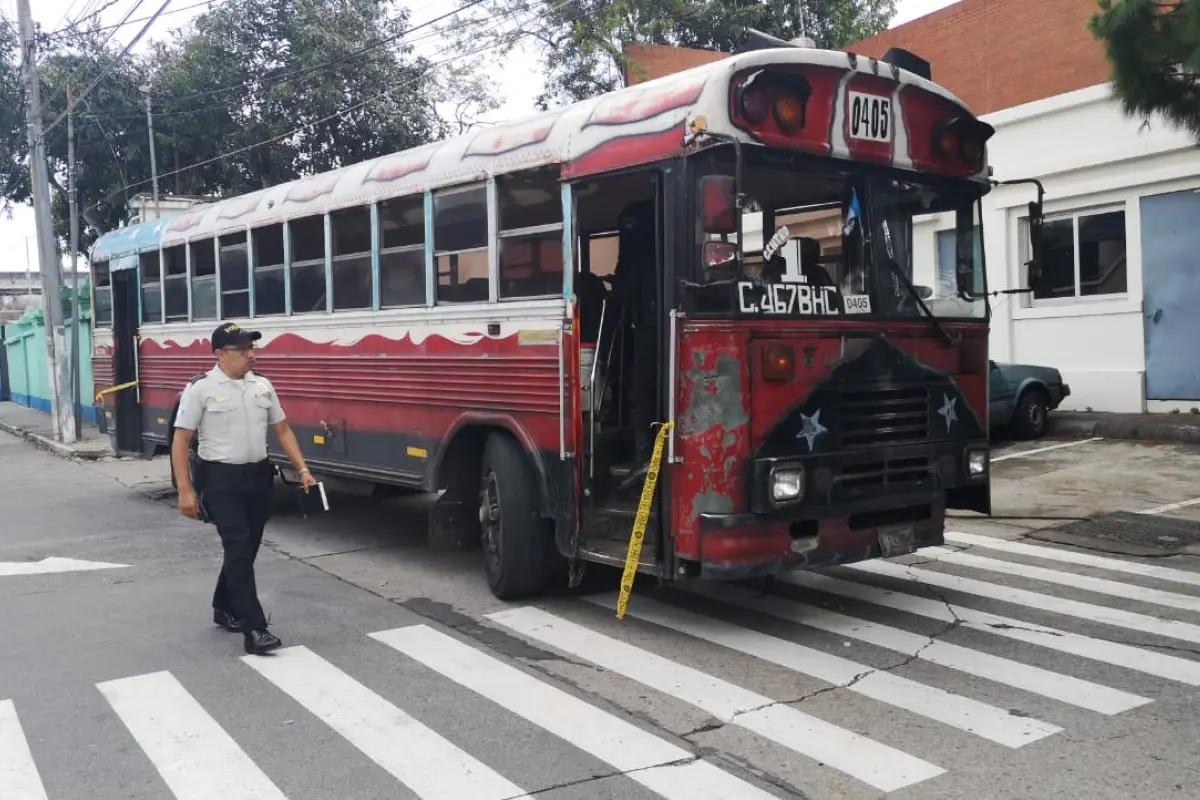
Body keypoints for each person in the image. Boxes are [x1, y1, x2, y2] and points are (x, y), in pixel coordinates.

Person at [171, 322, 317, 655]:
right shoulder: (201, 389)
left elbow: (282, 430)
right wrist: (185, 490)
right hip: (220, 479)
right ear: (220, 354)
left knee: (246, 548)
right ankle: (255, 629)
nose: (250, 355)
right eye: (241, 350)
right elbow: (181, 440)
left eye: (252, 348)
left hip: (258, 476)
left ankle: (224, 606)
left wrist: (303, 469)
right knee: (238, 548)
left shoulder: (262, 385)